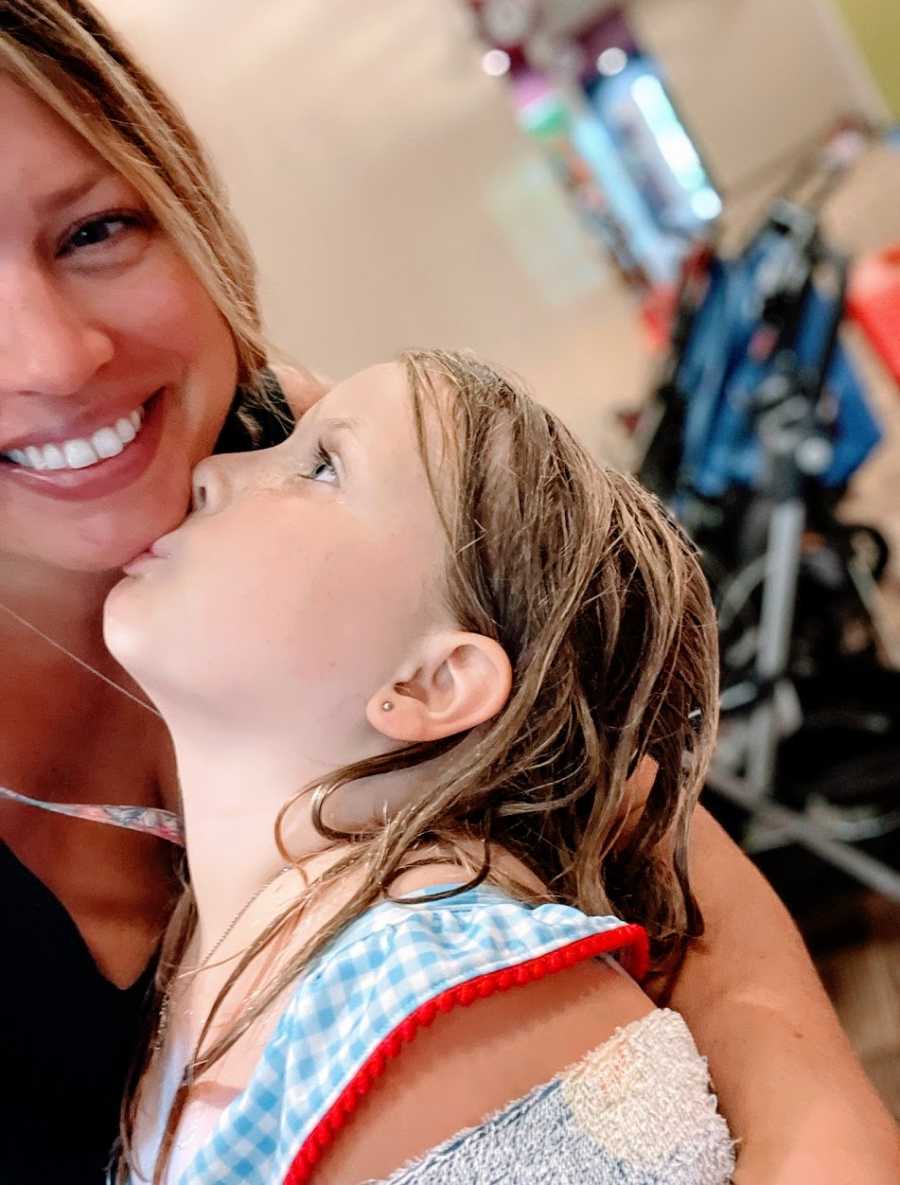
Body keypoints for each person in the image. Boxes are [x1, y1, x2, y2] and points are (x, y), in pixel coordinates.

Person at [0, 2, 896, 1183]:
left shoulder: (259, 436)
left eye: (96, 231)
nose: (56, 358)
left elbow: (668, 874)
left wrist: (822, 1141)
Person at [107, 348, 737, 1183]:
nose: (211, 473)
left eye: (322, 464)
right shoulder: (214, 950)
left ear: (433, 682)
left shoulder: (453, 998)